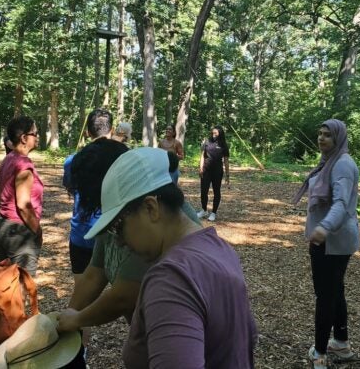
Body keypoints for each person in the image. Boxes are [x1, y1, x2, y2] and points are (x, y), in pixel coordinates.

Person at [80, 147, 257, 368]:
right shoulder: (220, 249)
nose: (119, 241)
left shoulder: (171, 279)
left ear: (151, 208)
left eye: (118, 226)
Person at [57, 146, 199, 343]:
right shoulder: (124, 216)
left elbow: (125, 294)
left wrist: (77, 319)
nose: (119, 239)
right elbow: (93, 274)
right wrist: (64, 319)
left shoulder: (152, 224)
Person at [292, 119, 360, 369]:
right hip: (332, 239)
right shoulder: (330, 161)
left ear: (338, 138)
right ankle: (341, 342)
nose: (322, 138)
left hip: (332, 240)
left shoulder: (342, 164)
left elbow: (341, 204)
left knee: (325, 295)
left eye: (328, 135)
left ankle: (320, 352)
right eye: (320, 134)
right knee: (335, 290)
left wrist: (323, 227)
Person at [64, 109, 113, 283]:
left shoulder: (71, 161)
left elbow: (70, 188)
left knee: (82, 286)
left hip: (81, 233)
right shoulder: (120, 161)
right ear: (111, 130)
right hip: (111, 235)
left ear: (87, 132)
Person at [0, 116, 43, 276]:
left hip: (3, 225)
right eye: (35, 133)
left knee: (5, 281)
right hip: (19, 230)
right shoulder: (23, 165)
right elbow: (23, 205)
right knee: (21, 283)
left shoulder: (8, 159)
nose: (38, 137)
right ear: (24, 138)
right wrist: (36, 229)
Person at [197, 125, 230, 222]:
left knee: (216, 191)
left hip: (217, 171)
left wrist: (227, 175)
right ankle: (204, 210)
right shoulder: (207, 142)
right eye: (212, 133)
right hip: (206, 170)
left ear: (220, 133)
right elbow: (202, 155)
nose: (213, 134)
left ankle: (213, 213)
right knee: (203, 191)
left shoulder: (223, 144)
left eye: (215, 133)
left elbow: (226, 160)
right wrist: (200, 168)